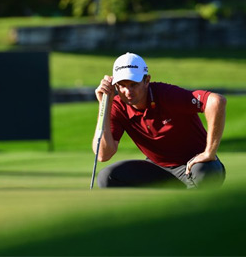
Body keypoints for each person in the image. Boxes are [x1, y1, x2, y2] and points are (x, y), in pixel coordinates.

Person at [93, 52, 226, 189]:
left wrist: (209, 152)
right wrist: (104, 107)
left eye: (133, 84)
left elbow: (216, 101)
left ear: (146, 81)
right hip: (158, 169)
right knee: (107, 177)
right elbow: (103, 154)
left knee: (205, 173)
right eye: (122, 85)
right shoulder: (116, 106)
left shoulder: (167, 95)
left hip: (194, 165)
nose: (127, 91)